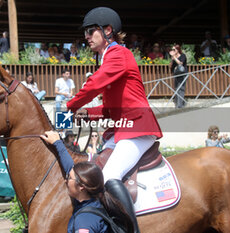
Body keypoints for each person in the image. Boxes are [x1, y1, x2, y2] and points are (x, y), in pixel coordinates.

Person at [66, 7, 162, 233]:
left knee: (108, 177)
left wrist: (71, 105)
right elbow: (110, 110)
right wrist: (86, 115)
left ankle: (129, 230)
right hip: (122, 129)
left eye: (91, 31)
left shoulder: (119, 54)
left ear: (108, 30)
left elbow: (95, 84)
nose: (87, 36)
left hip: (137, 128)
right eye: (86, 32)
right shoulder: (109, 57)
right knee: (95, 170)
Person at [40, 130, 133, 233]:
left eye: (70, 179)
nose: (66, 181)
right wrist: (58, 143)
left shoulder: (84, 220)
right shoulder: (93, 201)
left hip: (136, 134)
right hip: (116, 134)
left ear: (81, 187)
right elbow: (70, 168)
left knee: (110, 175)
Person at [170, 44, 188, 108]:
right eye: (172, 49)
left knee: (181, 89)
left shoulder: (183, 55)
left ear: (178, 50)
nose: (173, 51)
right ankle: (178, 104)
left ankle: (180, 105)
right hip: (176, 74)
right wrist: (172, 59)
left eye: (174, 49)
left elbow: (180, 63)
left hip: (182, 74)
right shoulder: (174, 57)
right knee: (177, 89)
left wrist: (174, 57)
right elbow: (171, 67)